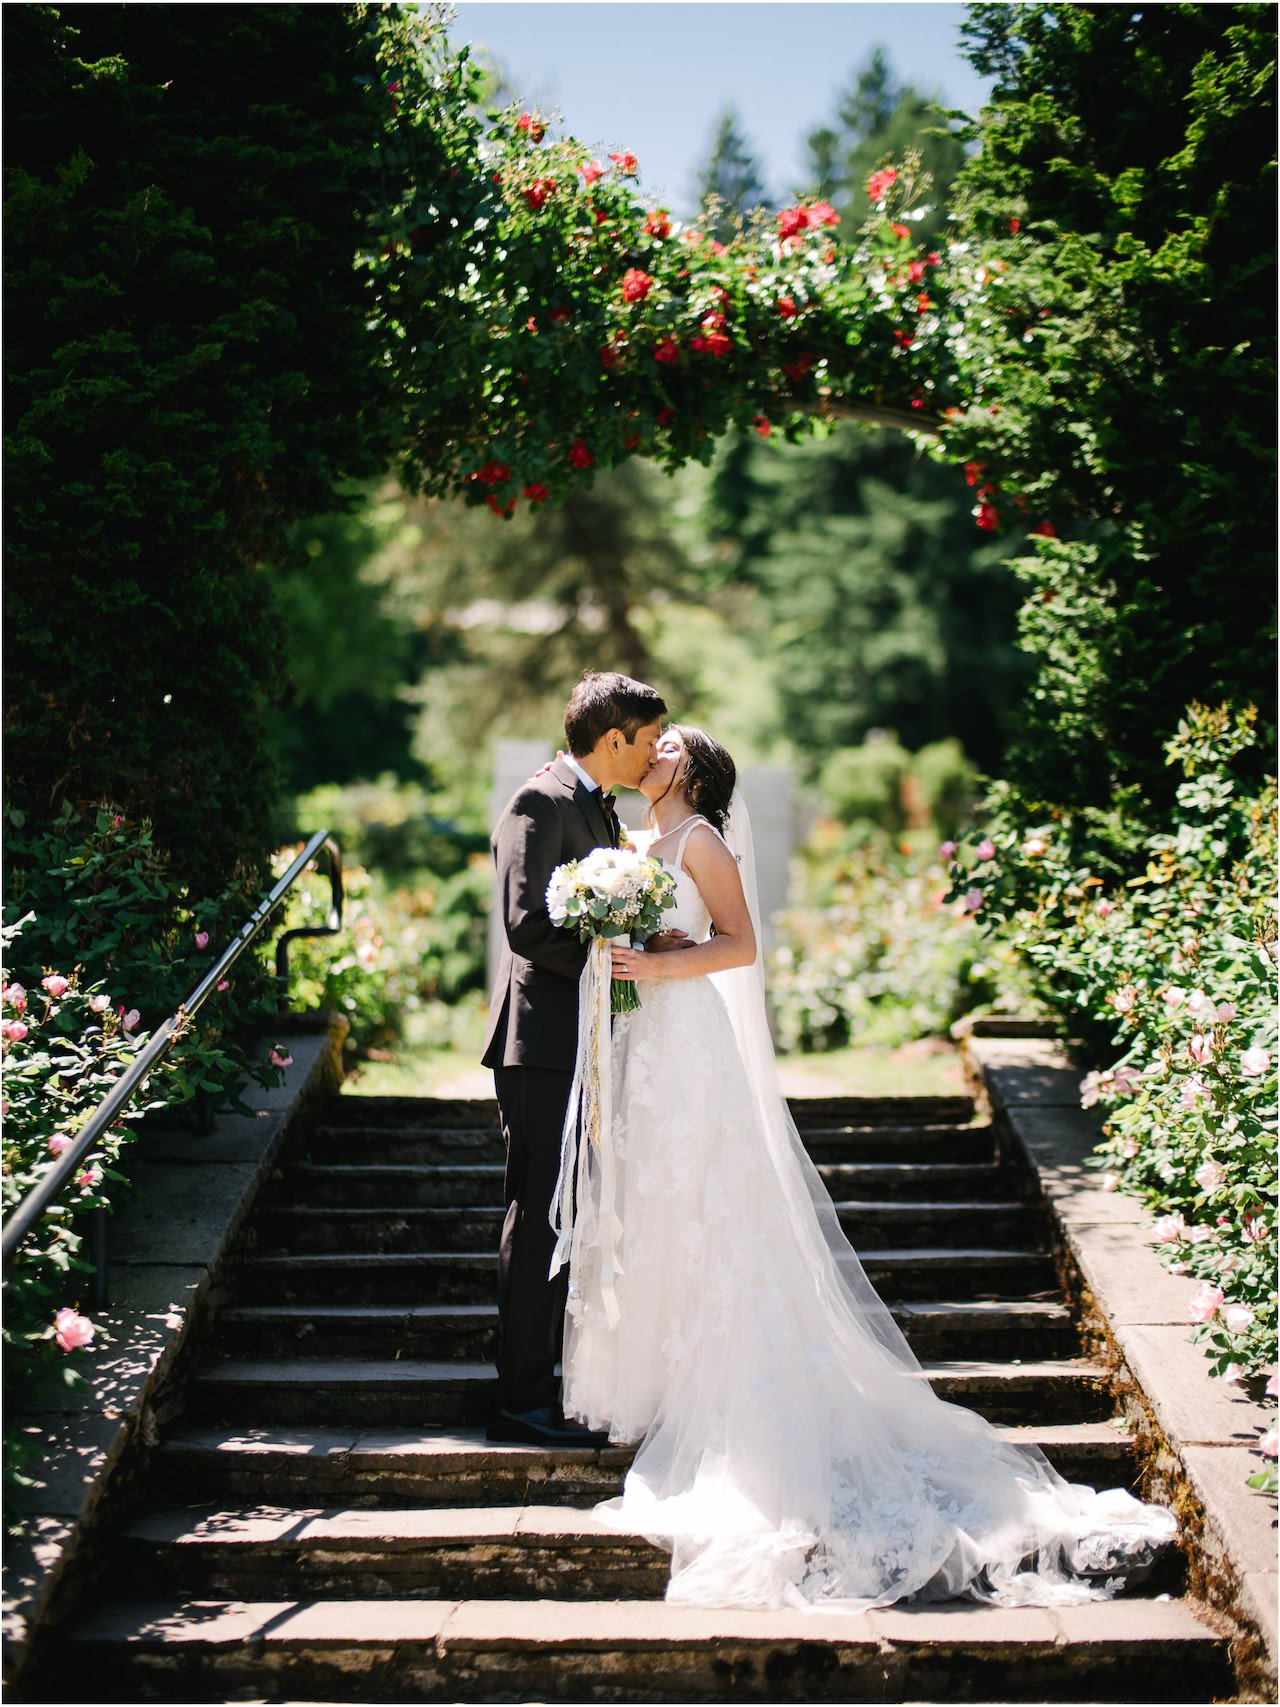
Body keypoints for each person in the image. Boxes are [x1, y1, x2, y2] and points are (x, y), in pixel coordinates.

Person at [558, 724, 1177, 1610]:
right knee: (658, 1214)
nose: (650, 754)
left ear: (688, 771)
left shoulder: (699, 842)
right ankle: (664, 1386)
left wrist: (659, 970)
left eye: (665, 748)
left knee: (713, 1213)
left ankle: (735, 1409)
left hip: (692, 1047)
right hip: (646, 1055)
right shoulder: (636, 843)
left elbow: (738, 945)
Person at [482, 670, 673, 1448]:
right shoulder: (539, 801)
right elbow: (527, 925)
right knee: (540, 1218)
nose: (657, 748)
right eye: (650, 736)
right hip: (543, 1046)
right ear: (613, 736)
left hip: (586, 1044)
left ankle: (559, 1381)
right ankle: (522, 1400)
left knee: (577, 1217)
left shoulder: (599, 806)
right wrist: (613, 959)